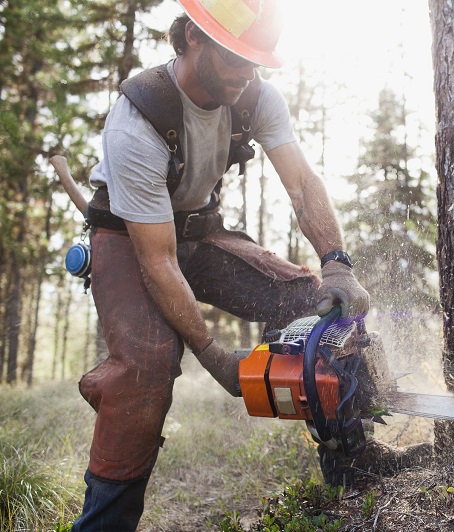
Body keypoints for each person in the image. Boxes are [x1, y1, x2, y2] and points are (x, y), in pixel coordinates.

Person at [70, 0, 369, 529]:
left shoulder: (255, 96)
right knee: (146, 369)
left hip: (198, 228)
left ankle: (354, 466)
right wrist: (209, 353)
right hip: (127, 236)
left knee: (314, 302)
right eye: (234, 58)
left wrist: (337, 264)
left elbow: (300, 183)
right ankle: (103, 522)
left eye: (254, 62)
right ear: (190, 38)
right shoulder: (138, 117)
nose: (244, 75)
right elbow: (158, 259)